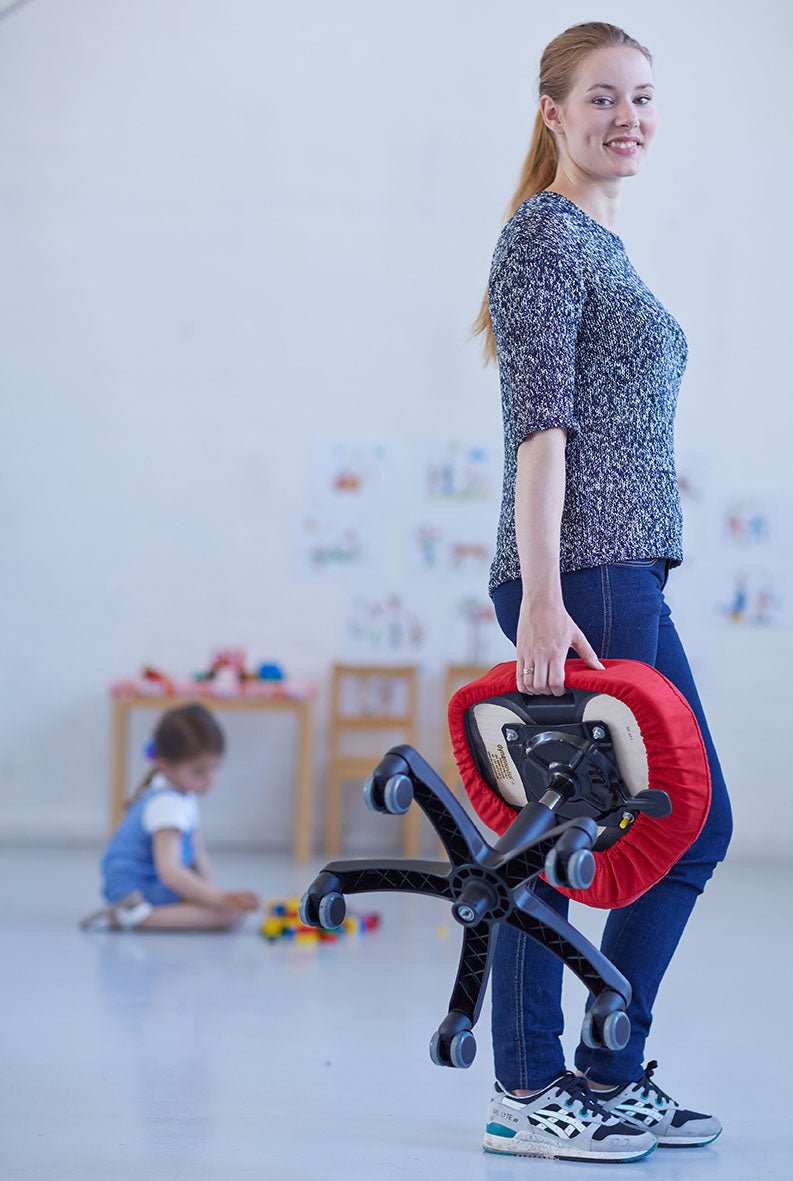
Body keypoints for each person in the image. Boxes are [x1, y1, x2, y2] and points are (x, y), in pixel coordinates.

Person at [470, 20, 732, 1164]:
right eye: (601, 98)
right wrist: (537, 596)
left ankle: (606, 1068)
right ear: (553, 114)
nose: (627, 116)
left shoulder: (604, 246)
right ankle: (530, 1087)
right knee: (575, 837)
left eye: (641, 98)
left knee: (680, 825)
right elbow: (540, 431)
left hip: (621, 572)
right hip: (576, 580)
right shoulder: (544, 238)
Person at [80, 702, 260, 931]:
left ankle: (138, 913)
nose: (211, 778)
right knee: (228, 915)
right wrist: (219, 899)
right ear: (164, 766)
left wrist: (212, 895)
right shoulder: (167, 803)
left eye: (216, 767)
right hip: (135, 891)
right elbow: (171, 872)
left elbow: (197, 851)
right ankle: (135, 917)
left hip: (151, 886)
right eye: (199, 772)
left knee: (225, 909)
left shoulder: (182, 792)